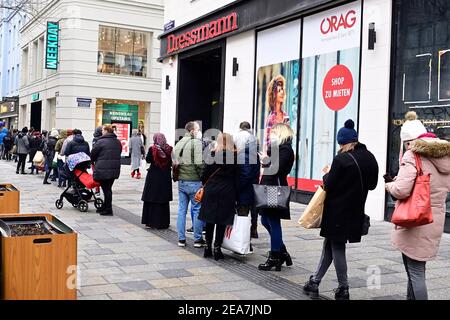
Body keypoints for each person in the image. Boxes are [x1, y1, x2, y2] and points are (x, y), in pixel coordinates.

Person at [303, 119, 379, 300]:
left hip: (337, 212)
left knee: (337, 247)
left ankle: (343, 288)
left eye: (340, 144)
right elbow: (373, 185)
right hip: (356, 211)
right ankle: (314, 281)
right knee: (330, 245)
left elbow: (328, 184)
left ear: (344, 143)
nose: (339, 147)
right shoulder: (370, 157)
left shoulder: (341, 159)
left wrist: (327, 172)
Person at [385, 111, 450, 300]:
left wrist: (389, 185)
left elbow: (401, 190)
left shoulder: (413, 155)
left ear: (407, 141)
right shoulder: (444, 157)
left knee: (415, 273)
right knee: (416, 270)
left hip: (415, 220)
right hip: (434, 218)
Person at [258, 123, 295, 272]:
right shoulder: (277, 149)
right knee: (264, 220)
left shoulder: (286, 150)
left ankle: (275, 256)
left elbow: (276, 169)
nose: (271, 135)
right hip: (268, 188)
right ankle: (281, 250)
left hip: (275, 189)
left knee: (273, 221)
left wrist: (266, 160)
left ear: (281, 133)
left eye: (274, 132)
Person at [199, 133, 239, 261]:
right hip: (227, 191)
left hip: (211, 190)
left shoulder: (212, 155)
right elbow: (238, 177)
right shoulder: (235, 157)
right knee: (222, 220)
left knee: (210, 219)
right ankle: (217, 248)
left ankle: (207, 247)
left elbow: (204, 174)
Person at [174, 121, 205, 248]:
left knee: (182, 210)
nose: (198, 132)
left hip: (182, 181)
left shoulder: (180, 142)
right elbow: (199, 164)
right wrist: (203, 178)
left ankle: (181, 239)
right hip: (194, 181)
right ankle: (197, 239)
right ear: (192, 131)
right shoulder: (196, 143)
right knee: (197, 209)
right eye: (197, 130)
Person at [234, 121, 260, 239]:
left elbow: (245, 174)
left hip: (245, 190)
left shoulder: (244, 154)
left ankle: (244, 239)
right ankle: (252, 230)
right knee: (253, 211)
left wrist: (237, 188)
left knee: (243, 215)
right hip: (253, 188)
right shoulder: (254, 153)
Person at [141, 133, 173, 229]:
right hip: (165, 177)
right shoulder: (169, 149)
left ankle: (150, 222)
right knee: (163, 199)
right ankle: (163, 222)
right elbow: (172, 162)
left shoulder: (153, 149)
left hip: (153, 176)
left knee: (151, 198)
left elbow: (148, 160)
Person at [90, 124, 122, 216]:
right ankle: (105, 206)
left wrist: (94, 161)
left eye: (103, 130)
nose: (102, 132)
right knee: (108, 188)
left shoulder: (101, 142)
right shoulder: (117, 142)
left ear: (107, 131)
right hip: (114, 168)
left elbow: (93, 154)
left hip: (103, 168)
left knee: (106, 189)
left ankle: (108, 209)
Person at [264, 75, 290, 150]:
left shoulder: (285, 116)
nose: (282, 92)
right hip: (275, 156)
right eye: (279, 91)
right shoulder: (271, 118)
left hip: (285, 155)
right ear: (274, 95)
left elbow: (288, 139)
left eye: (282, 90)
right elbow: (268, 143)